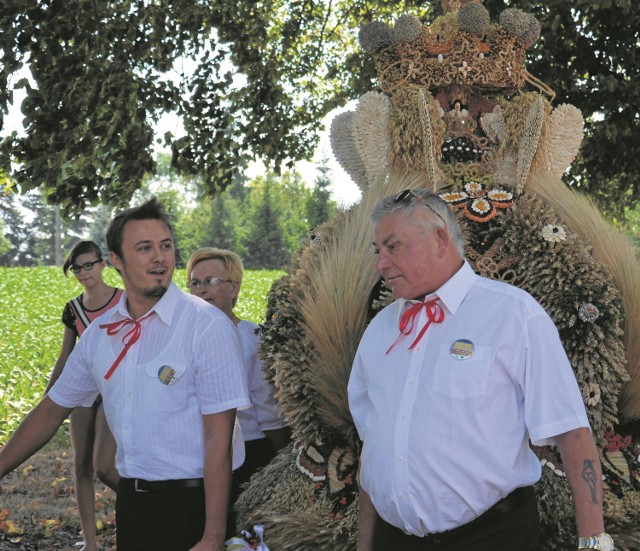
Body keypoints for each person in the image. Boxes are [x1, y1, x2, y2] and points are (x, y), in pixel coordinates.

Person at [347, 188, 613, 551]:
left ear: (440, 238)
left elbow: (572, 435)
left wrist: (594, 543)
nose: (381, 264)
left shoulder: (514, 315)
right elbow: (372, 446)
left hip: (493, 538)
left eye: (393, 246)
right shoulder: (379, 332)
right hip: (397, 541)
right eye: (378, 251)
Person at [0, 197, 249, 551]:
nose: (160, 258)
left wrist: (212, 536)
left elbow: (218, 440)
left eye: (166, 246)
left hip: (195, 507)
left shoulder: (206, 326)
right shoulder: (100, 335)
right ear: (116, 261)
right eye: (144, 248)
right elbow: (51, 410)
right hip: (132, 505)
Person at [186, 247, 291, 537]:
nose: (201, 290)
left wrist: (281, 463)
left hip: (248, 458)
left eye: (211, 281)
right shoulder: (180, 341)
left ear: (234, 288)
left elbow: (269, 411)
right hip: (194, 458)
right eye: (195, 283)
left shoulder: (253, 338)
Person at [44, 240, 122, 551]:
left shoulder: (123, 300)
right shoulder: (73, 309)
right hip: (82, 391)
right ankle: (90, 543)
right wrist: (50, 398)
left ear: (103, 264)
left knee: (104, 466)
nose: (84, 272)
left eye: (89, 265)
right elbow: (66, 357)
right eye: (77, 268)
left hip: (115, 390)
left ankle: (145, 505)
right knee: (81, 467)